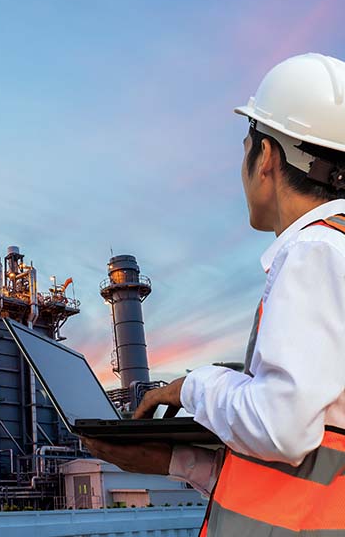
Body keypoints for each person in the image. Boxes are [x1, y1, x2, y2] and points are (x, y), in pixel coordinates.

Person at [83, 53, 345, 535]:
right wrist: (174, 462)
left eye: (246, 146)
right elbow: (308, 469)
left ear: (266, 156)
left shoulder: (315, 250)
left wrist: (194, 385)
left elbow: (281, 429)